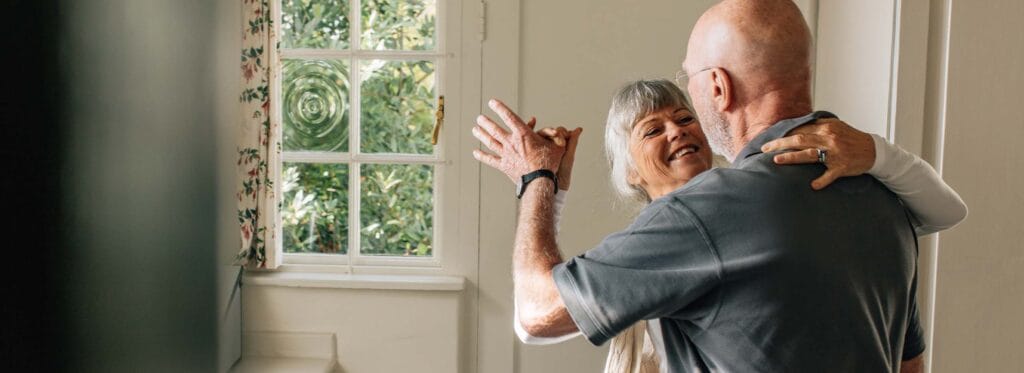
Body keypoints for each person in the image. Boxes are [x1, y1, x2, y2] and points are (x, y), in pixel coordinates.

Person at [471, 0, 967, 371]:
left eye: (690, 86)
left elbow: (536, 314)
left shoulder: (706, 214)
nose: (680, 127)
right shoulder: (884, 200)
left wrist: (537, 179)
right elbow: (910, 366)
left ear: (718, 87)